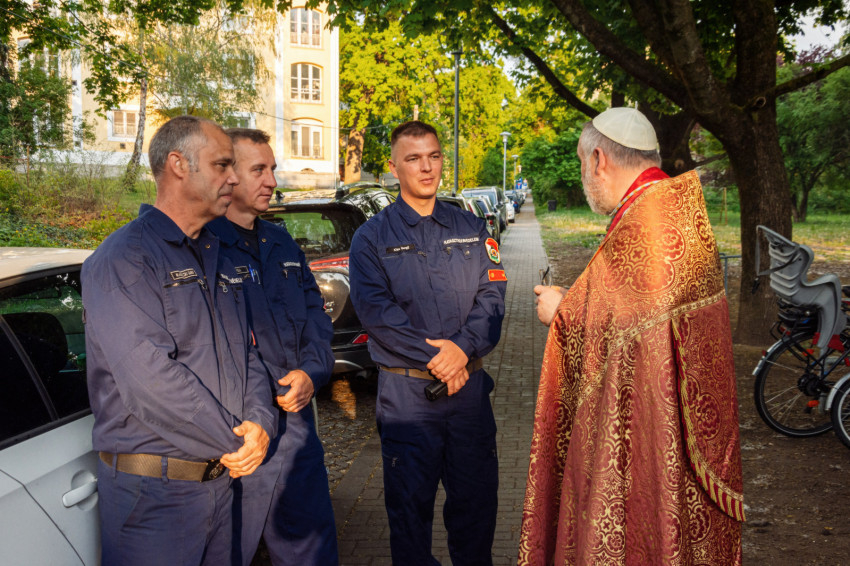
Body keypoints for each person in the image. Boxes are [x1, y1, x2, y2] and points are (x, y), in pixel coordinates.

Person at [518, 107, 744, 564]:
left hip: (649, 429)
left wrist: (561, 312)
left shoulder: (647, 220)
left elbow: (632, 329)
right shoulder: (672, 206)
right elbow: (639, 316)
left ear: (598, 159)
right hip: (678, 424)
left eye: (582, 164)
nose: (584, 176)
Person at [82, 115, 277, 566]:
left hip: (220, 484)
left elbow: (246, 353)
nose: (233, 178)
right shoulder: (124, 258)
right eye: (222, 165)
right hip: (156, 499)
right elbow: (148, 379)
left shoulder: (217, 254)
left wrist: (261, 421)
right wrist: (239, 442)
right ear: (178, 165)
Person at [349, 120, 507, 565]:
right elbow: (379, 315)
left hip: (468, 399)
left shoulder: (472, 227)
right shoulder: (371, 238)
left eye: (434, 156)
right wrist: (444, 358)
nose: (426, 167)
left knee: (477, 513)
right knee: (409, 519)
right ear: (393, 167)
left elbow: (493, 297)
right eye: (414, 158)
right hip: (408, 399)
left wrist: (462, 351)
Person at [207, 128, 338, 565]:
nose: (272, 181)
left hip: (296, 431)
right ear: (228, 175)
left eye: (273, 169)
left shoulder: (281, 243)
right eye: (259, 170)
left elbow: (316, 316)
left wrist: (312, 373)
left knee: (311, 553)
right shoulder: (205, 248)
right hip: (240, 434)